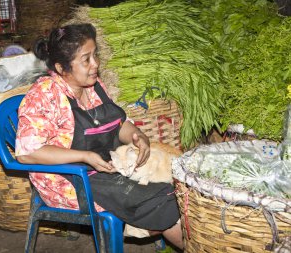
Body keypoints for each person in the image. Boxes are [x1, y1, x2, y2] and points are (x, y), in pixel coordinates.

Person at [15, 23, 183, 250]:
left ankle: (147, 223)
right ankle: (146, 223)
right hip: (69, 179)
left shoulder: (93, 86)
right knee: (159, 201)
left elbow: (118, 124)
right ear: (61, 67)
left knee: (178, 186)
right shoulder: (44, 95)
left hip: (104, 165)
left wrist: (137, 135)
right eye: (86, 59)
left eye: (95, 55)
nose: (95, 64)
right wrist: (85, 156)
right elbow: (27, 153)